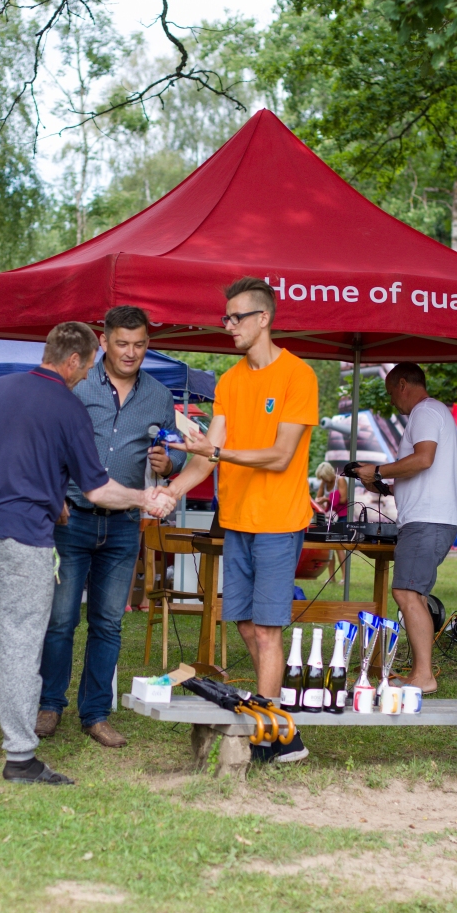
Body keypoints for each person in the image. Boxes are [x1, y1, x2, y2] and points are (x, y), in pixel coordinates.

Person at [0, 321, 175, 785]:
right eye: (85, 369)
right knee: (21, 644)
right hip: (25, 539)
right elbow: (99, 489)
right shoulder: (69, 407)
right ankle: (20, 757)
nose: (85, 378)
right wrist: (146, 498)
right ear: (74, 361)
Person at [168, 276, 319, 763]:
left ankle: (269, 738)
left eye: (236, 317)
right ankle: (282, 732)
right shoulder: (230, 381)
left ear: (264, 319)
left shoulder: (298, 376)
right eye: (225, 317)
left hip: (278, 520)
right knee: (248, 627)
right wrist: (170, 491)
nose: (227, 325)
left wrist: (217, 449)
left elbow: (279, 456)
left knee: (269, 629)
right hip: (236, 520)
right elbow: (209, 455)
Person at [36, 305, 186, 747]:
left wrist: (169, 460)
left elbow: (174, 448)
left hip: (123, 525)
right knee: (61, 619)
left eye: (140, 344)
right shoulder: (78, 383)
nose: (131, 352)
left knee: (108, 623)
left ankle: (96, 714)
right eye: (122, 343)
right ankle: (49, 705)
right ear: (103, 342)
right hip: (73, 516)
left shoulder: (159, 395)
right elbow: (49, 440)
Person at [357, 362, 457, 694]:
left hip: (427, 521)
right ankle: (420, 672)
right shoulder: (431, 413)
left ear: (403, 384)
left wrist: (379, 470)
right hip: (428, 518)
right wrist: (383, 486)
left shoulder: (425, 411)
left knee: (406, 593)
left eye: (391, 394)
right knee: (410, 592)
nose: (392, 403)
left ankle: (424, 676)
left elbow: (423, 459)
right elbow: (419, 473)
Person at [314, 460, 348, 583]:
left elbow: (343, 499)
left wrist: (326, 500)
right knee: (330, 548)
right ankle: (331, 577)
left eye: (323, 477)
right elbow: (318, 499)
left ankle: (345, 577)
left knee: (339, 547)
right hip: (329, 517)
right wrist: (320, 502)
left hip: (341, 517)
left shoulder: (340, 480)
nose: (323, 479)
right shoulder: (324, 483)